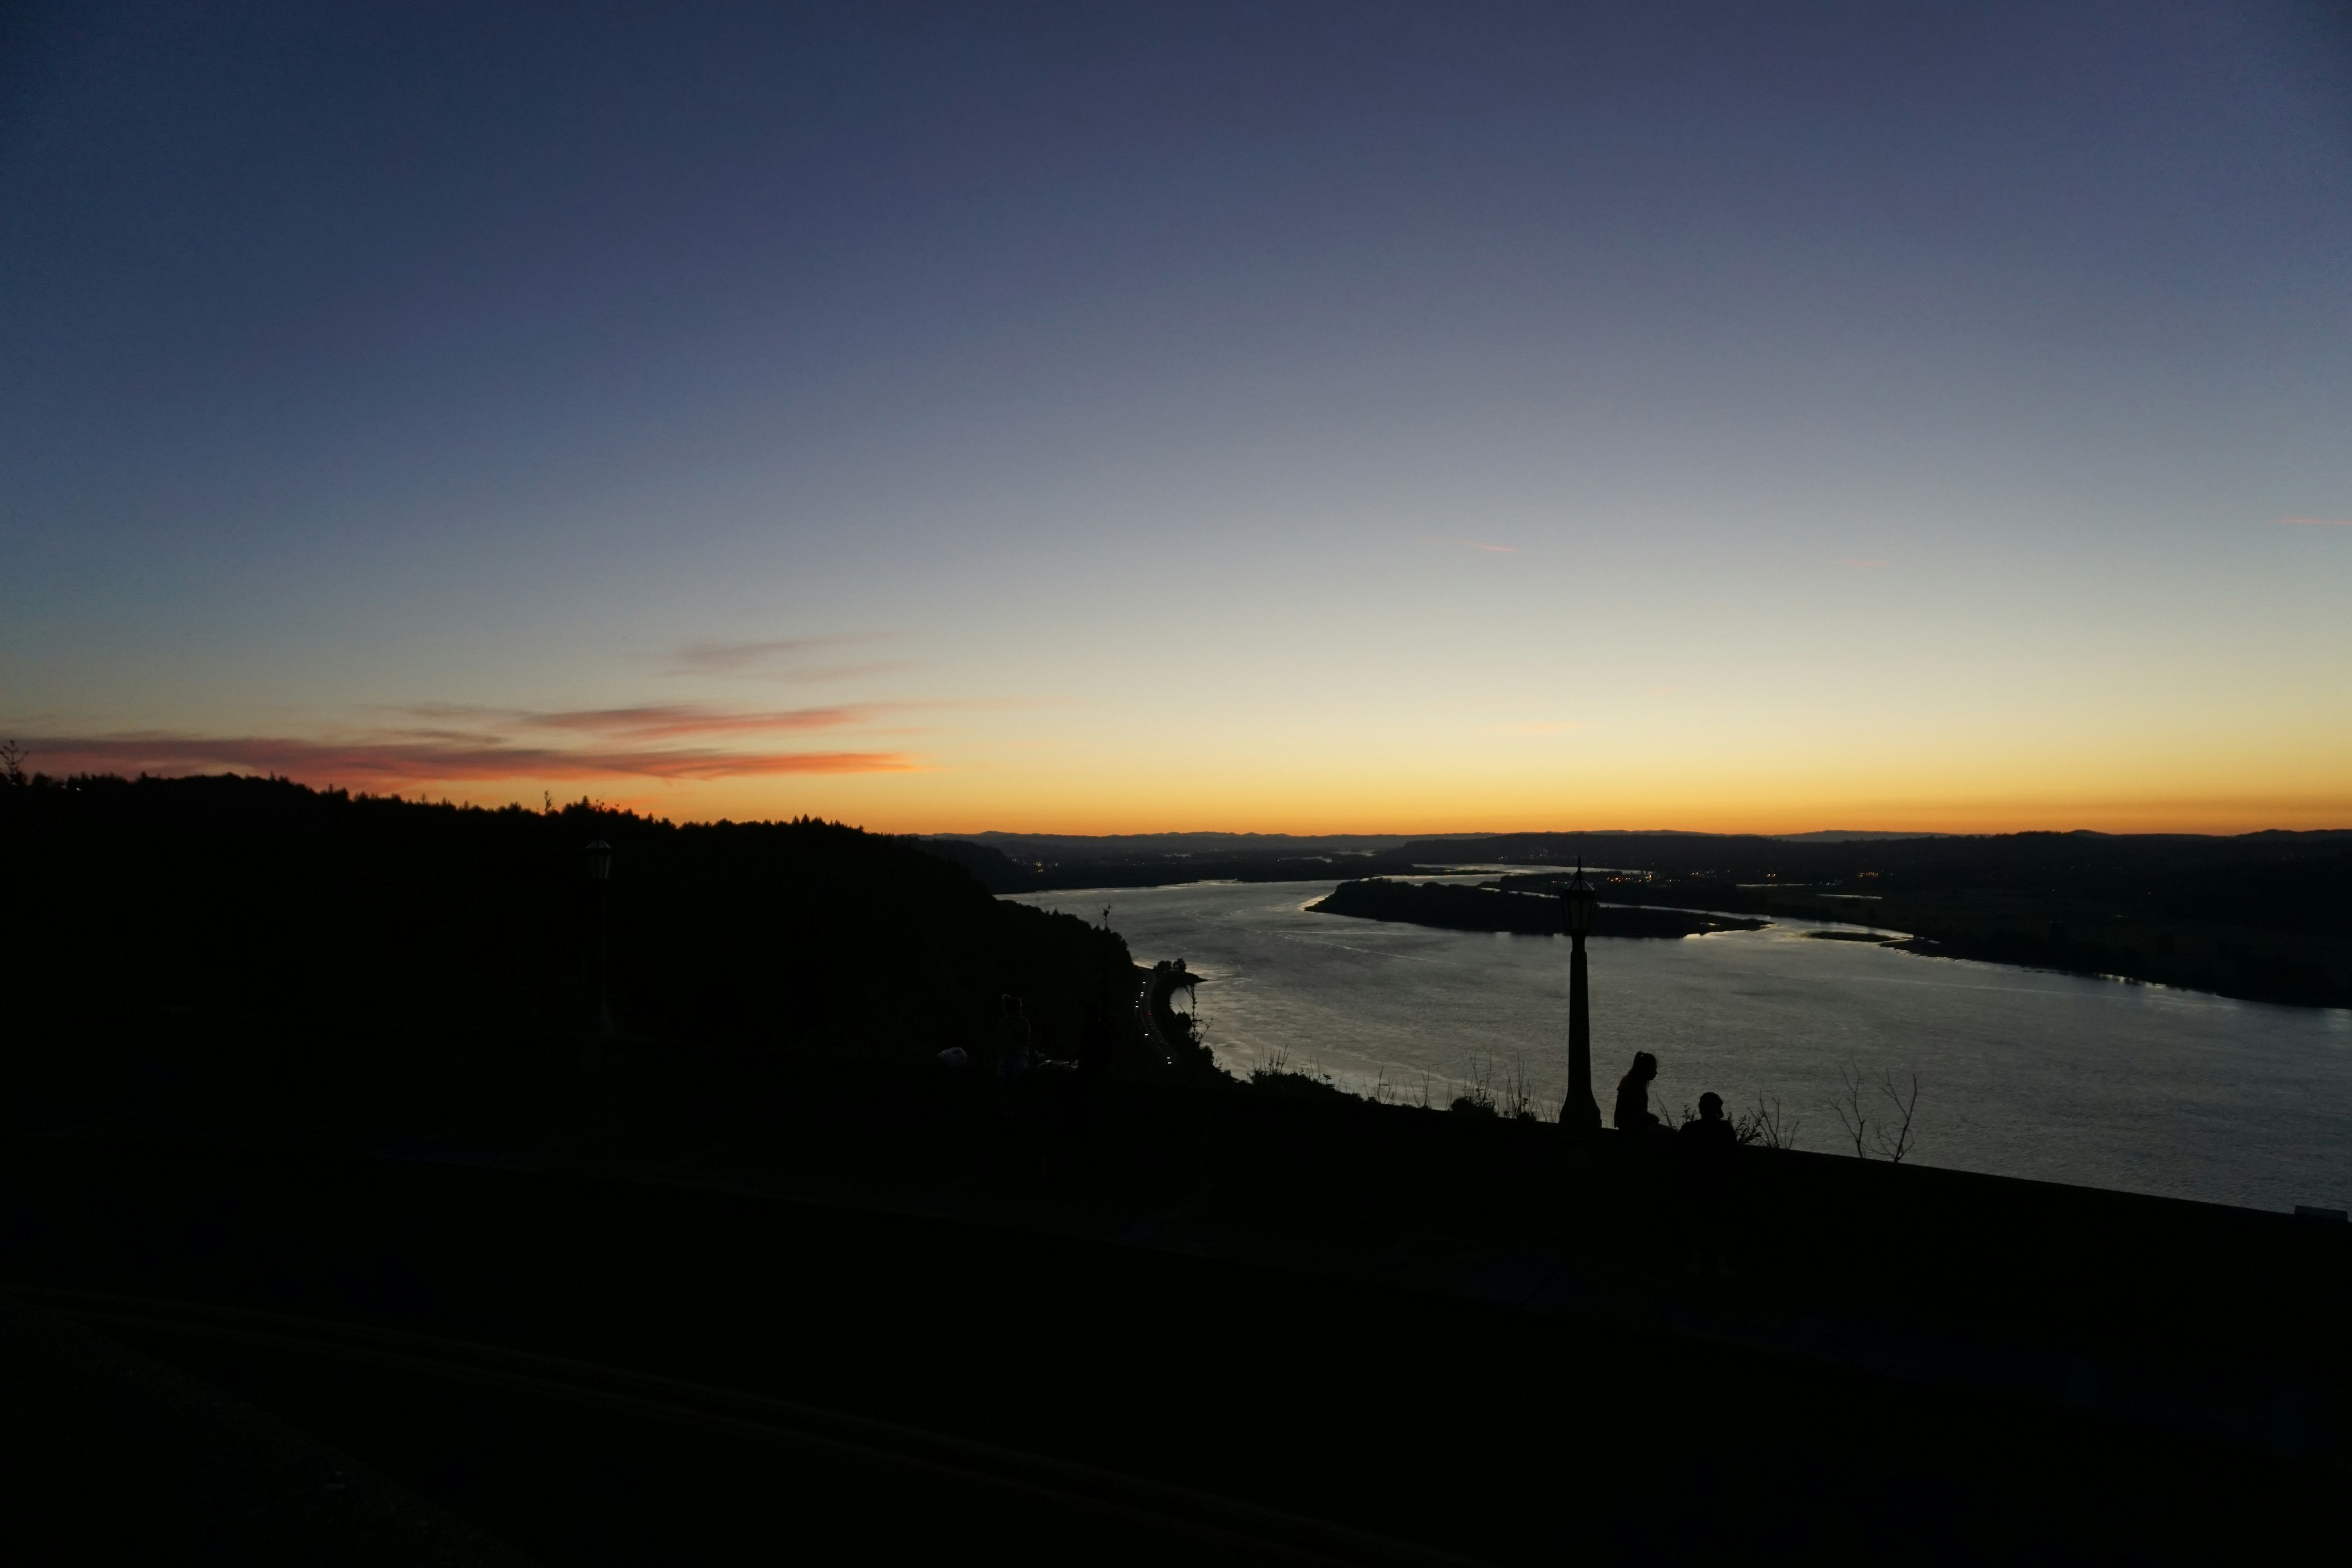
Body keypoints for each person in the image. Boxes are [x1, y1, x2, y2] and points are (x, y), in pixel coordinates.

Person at [1678, 1091, 1740, 1276]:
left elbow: (1680, 1157)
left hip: (1695, 1183)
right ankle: (1722, 1267)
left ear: (1701, 1108)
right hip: (1718, 1184)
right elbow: (1732, 1156)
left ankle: (1695, 1264)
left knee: (1696, 1224)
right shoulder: (1725, 1129)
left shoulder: (1689, 1129)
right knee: (1718, 1225)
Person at [1613, 1051, 1667, 1135]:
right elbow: (1639, 1112)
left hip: (1626, 1126)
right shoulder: (1635, 1085)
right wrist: (1653, 1117)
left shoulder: (1631, 1081)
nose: (1656, 1072)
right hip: (1632, 1128)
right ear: (1646, 1069)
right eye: (1654, 1069)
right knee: (1671, 1134)